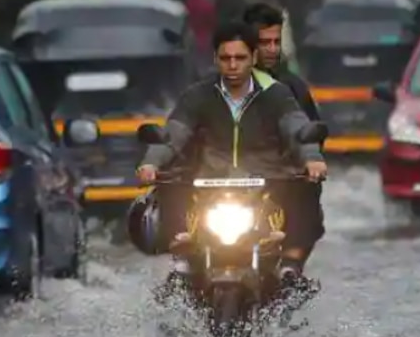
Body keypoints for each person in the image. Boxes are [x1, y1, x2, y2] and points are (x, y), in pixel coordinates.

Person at [135, 21, 328, 287]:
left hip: (266, 186)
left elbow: (296, 128)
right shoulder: (197, 96)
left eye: (240, 58)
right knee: (169, 186)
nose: (233, 65)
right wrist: (151, 163)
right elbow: (174, 134)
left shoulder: (276, 95)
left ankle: (290, 268)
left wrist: (312, 159)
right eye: (226, 58)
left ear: (254, 58)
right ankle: (182, 264)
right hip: (208, 187)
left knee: (306, 190)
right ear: (215, 59)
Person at [243, 0, 326, 268]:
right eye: (263, 42)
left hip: (278, 182)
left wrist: (308, 160)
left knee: (306, 196)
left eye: (275, 42)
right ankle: (184, 269)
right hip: (225, 182)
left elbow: (306, 130)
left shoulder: (291, 88)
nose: (271, 49)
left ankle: (291, 265)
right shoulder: (213, 84)